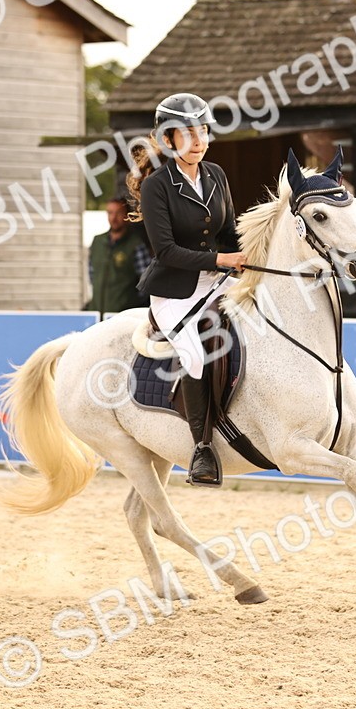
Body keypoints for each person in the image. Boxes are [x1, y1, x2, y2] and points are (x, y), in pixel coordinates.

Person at [128, 93, 246, 486]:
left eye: (204, 131)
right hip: (176, 293)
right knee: (195, 352)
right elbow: (166, 251)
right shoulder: (156, 186)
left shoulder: (216, 174)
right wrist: (220, 261)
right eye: (189, 133)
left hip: (217, 283)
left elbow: (228, 234)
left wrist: (247, 256)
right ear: (167, 140)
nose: (199, 141)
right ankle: (202, 449)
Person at [86, 196, 151, 314]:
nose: (113, 218)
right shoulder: (97, 241)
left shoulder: (136, 244)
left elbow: (146, 282)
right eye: (110, 213)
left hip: (122, 316)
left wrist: (130, 304)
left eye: (118, 213)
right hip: (96, 313)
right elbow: (91, 275)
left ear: (127, 216)